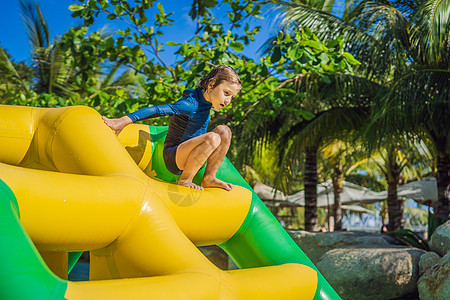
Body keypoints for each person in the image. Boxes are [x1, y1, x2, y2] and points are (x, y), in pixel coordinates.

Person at [103, 65, 241, 191]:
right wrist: (123, 121)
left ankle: (209, 177)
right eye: (226, 93)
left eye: (232, 97)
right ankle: (185, 180)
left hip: (193, 155)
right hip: (174, 158)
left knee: (225, 131)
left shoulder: (206, 100)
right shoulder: (190, 104)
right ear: (211, 85)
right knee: (213, 137)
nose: (228, 100)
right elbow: (158, 110)